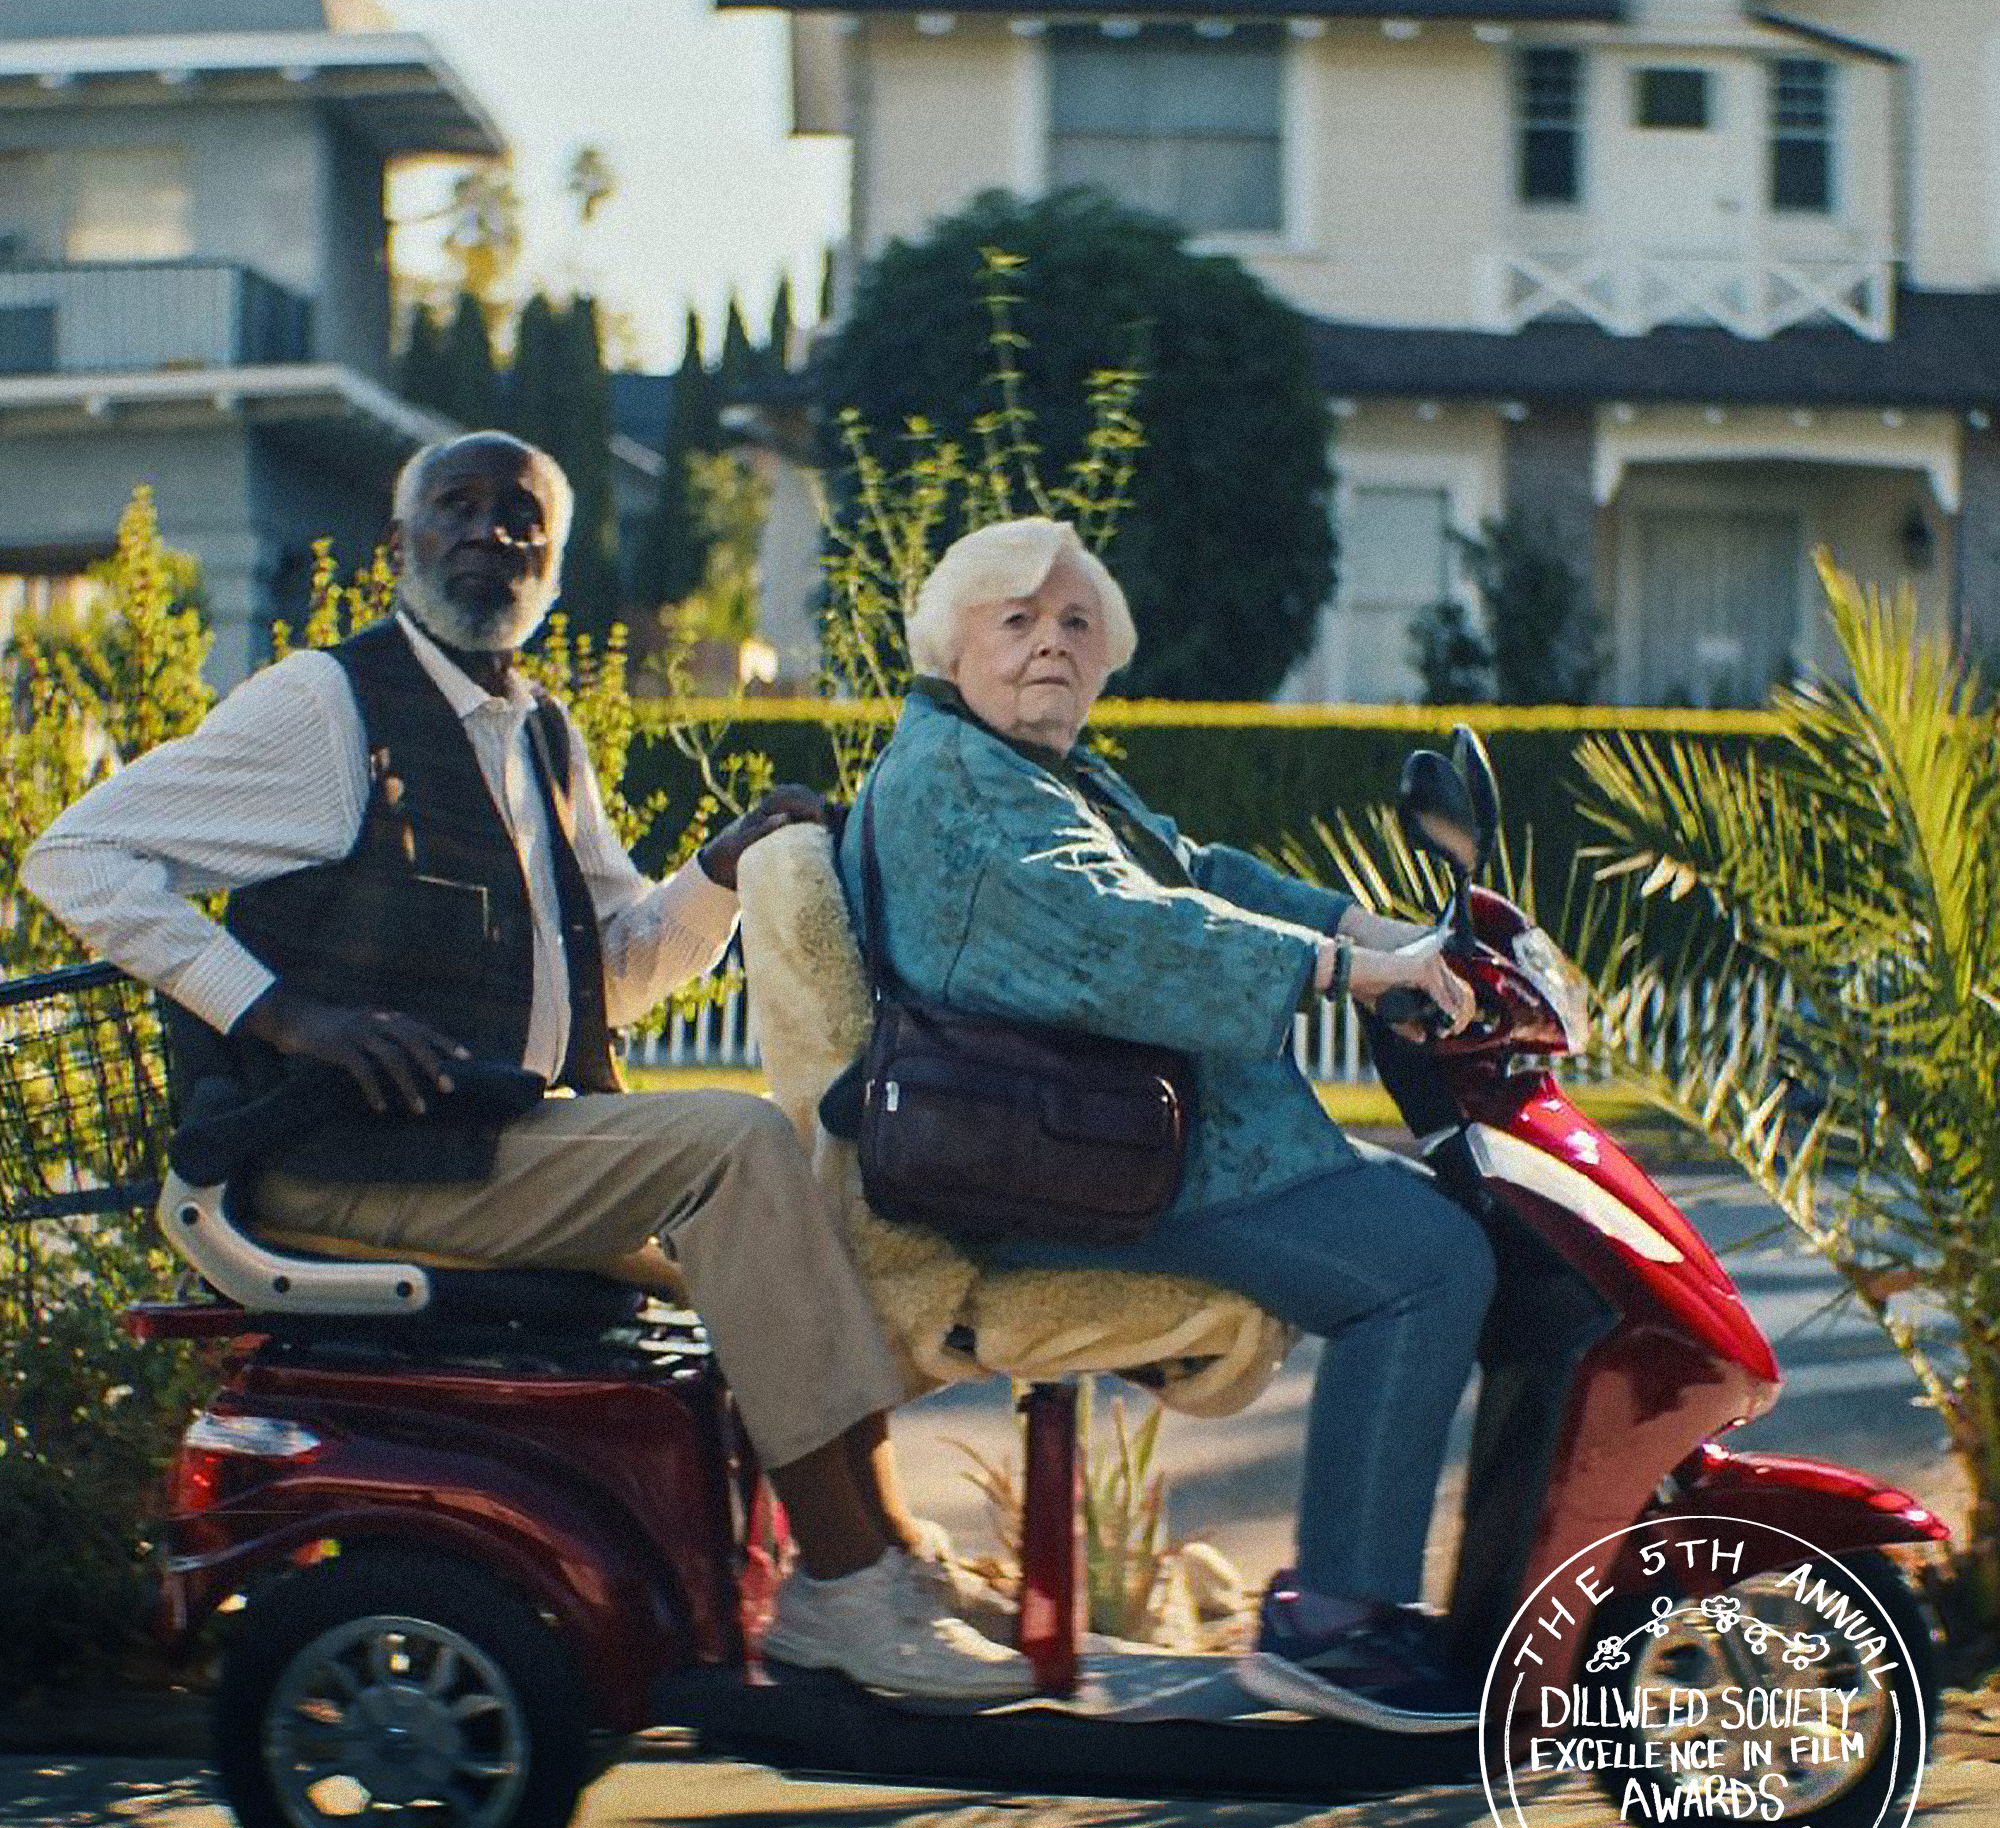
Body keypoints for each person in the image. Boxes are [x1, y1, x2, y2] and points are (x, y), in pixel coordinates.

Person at [23, 430, 1031, 1704]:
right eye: (459, 507)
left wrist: (720, 869)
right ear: (399, 547)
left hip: (478, 1142)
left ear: (552, 563)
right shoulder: (324, 706)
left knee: (813, 1208)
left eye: (522, 517)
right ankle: (842, 1589)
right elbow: (76, 855)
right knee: (731, 1147)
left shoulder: (540, 730)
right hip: (347, 1157)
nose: (492, 534)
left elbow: (605, 972)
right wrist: (283, 1015)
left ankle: (877, 1560)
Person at [838, 516, 1497, 1732]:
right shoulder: (954, 781)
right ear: (951, 644)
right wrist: (1336, 972)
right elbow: (1113, 934)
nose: (1048, 644)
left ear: (1103, 657)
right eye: (1015, 619)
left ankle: (1379, 1604)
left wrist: (1375, 934)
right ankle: (1336, 1624)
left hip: (1124, 1142)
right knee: (1429, 1261)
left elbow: (1193, 870)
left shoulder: (1038, 770)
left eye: (1074, 623)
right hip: (1060, 1166)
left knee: (1453, 1215)